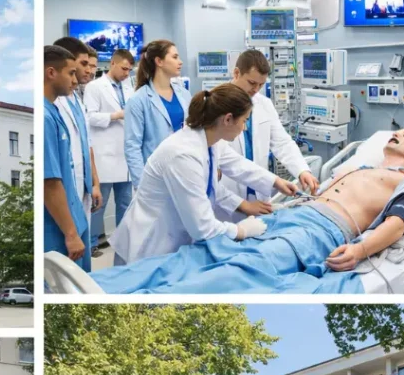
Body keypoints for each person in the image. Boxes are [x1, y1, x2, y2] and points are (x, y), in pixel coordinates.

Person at [93, 129, 404, 294]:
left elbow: (397, 225)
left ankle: (153, 297)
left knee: (247, 267)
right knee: (200, 253)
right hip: (288, 216)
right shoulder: (357, 166)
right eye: (397, 131)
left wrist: (359, 250)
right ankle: (103, 285)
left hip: (319, 231)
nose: (398, 134)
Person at [111, 85, 296, 264]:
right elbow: (203, 227)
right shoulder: (182, 155)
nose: (245, 127)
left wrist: (276, 181)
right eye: (244, 120)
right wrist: (241, 231)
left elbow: (237, 166)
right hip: (149, 244)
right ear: (228, 119)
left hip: (172, 239)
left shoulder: (210, 141)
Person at [217, 50, 319, 223]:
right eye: (251, 82)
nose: (255, 90)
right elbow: (224, 160)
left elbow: (282, 142)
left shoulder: (263, 104)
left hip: (258, 191)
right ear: (236, 73)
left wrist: (302, 169)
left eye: (261, 85)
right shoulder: (215, 104)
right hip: (228, 193)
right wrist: (275, 182)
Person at [53, 37, 103, 269]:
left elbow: (86, 144)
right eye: (84, 65)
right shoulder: (56, 104)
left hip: (82, 190)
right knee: (70, 262)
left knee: (83, 265)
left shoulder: (76, 98)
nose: (89, 71)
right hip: (68, 191)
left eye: (92, 66)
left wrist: (94, 182)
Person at [43, 45, 93, 271]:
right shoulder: (45, 117)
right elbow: (50, 182)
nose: (76, 80)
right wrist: (71, 233)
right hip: (59, 228)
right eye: (71, 73)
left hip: (74, 214)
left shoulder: (53, 111)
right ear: (51, 73)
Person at [85, 48, 135, 257]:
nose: (126, 73)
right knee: (99, 204)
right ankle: (91, 243)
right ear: (112, 63)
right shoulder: (94, 87)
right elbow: (90, 117)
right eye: (124, 68)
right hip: (104, 154)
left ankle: (123, 242)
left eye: (129, 70)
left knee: (125, 203)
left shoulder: (130, 87)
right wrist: (115, 115)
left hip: (125, 155)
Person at [124, 39, 191, 186]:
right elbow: (132, 146)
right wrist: (142, 185)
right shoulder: (138, 100)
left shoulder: (184, 95)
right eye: (174, 57)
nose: (180, 62)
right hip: (154, 178)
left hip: (184, 172)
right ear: (159, 61)